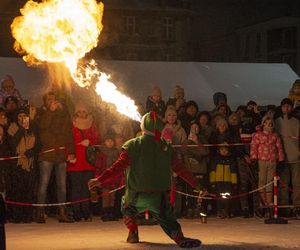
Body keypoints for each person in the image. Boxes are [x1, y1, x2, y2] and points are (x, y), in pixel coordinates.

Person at [89, 111, 201, 248]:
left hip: (137, 194)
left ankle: (133, 232)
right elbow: (180, 169)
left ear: (143, 126)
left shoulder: (133, 145)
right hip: (160, 195)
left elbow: (117, 167)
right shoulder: (165, 146)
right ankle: (179, 237)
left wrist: (99, 180)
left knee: (126, 207)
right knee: (166, 217)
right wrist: (197, 184)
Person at [36, 91, 75, 223]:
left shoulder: (64, 115)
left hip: (61, 155)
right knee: (43, 184)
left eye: (54, 99)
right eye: (49, 100)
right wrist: (50, 112)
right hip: (47, 155)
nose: (53, 102)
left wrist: (71, 152)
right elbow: (42, 128)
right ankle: (40, 212)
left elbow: (69, 134)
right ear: (45, 102)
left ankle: (62, 212)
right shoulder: (42, 113)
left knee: (62, 186)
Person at [67, 102, 100, 222]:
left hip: (88, 162)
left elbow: (97, 139)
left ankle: (86, 211)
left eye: (83, 111)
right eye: (79, 111)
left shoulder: (92, 125)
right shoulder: (72, 126)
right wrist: (69, 155)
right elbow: (67, 141)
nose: (81, 113)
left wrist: (89, 141)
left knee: (87, 188)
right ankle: (76, 211)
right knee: (76, 188)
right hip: (75, 161)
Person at [7, 108, 41, 223]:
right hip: (17, 164)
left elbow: (39, 143)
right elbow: (13, 144)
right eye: (20, 116)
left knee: (29, 190)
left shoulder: (33, 127)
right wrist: (23, 127)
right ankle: (18, 216)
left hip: (30, 164)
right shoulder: (12, 128)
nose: (22, 118)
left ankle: (27, 216)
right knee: (18, 191)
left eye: (24, 116)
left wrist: (32, 151)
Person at [250, 115, 284, 217]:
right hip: (261, 160)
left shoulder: (275, 136)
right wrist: (254, 158)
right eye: (267, 123)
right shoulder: (257, 135)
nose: (269, 125)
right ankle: (262, 201)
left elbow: (279, 147)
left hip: (272, 161)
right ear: (263, 124)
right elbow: (254, 147)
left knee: (270, 181)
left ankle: (269, 201)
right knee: (262, 181)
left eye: (271, 124)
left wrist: (281, 159)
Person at [274, 98, 300, 218]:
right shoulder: (277, 121)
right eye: (284, 106)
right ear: (281, 107)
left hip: (296, 156)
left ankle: (297, 206)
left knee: (297, 183)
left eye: (288, 106)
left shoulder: (296, 121)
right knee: (283, 184)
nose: (287, 108)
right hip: (282, 157)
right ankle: (284, 207)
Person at [209, 144, 238, 218]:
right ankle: (219, 211)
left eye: (225, 150)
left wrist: (234, 183)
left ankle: (226, 211)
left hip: (228, 182)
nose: (224, 151)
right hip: (219, 181)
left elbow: (233, 172)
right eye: (222, 150)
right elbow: (213, 171)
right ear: (219, 151)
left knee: (227, 197)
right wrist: (212, 182)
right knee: (219, 197)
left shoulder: (231, 160)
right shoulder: (216, 160)